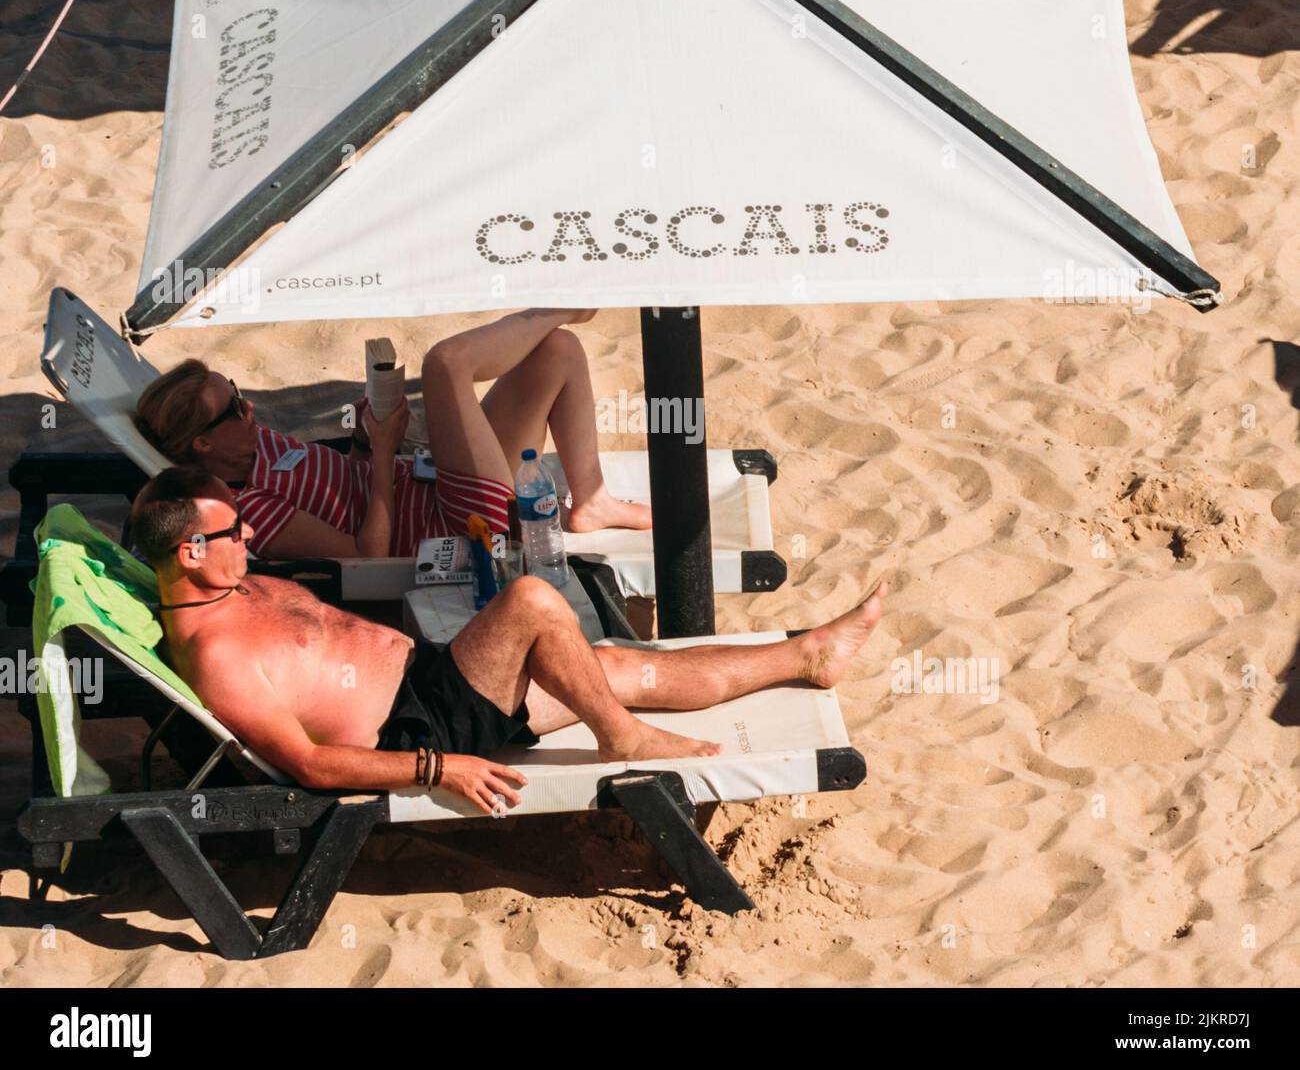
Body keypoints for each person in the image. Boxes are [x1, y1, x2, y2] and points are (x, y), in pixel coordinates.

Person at [131, 467, 888, 814]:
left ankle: (806, 656)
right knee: (531, 598)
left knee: (614, 666)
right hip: (420, 725)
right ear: (190, 552)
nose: (251, 530)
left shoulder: (230, 580)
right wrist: (439, 766)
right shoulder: (217, 653)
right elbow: (309, 763)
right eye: (232, 529)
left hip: (429, 678)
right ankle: (619, 739)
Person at [132, 308, 652, 561]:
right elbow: (366, 558)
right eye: (236, 409)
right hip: (459, 529)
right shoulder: (251, 509)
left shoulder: (253, 443)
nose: (250, 408)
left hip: (431, 478)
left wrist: (362, 442)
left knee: (557, 350)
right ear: (203, 444)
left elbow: (345, 487)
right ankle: (558, 305)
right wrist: (383, 454)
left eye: (241, 393)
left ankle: (592, 500)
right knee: (445, 364)